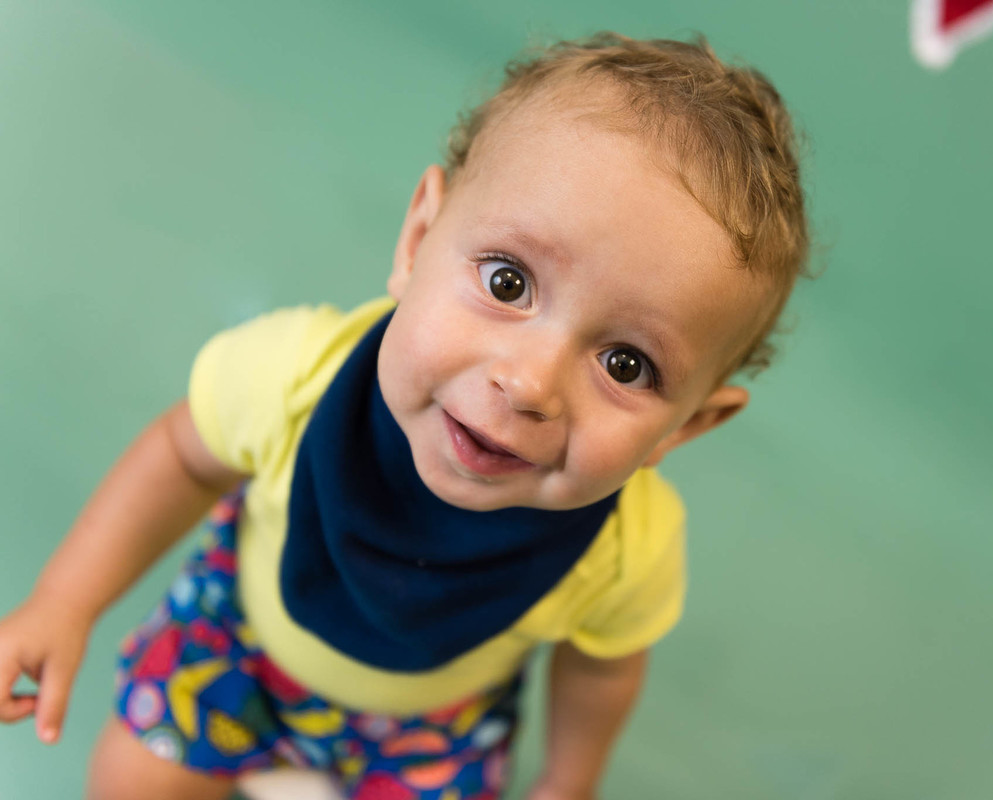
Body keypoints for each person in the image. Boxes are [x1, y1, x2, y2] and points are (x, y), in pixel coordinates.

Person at [0, 31, 811, 800]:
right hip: (240, 634)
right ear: (419, 238)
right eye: (507, 284)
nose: (530, 384)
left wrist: (569, 778)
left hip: (432, 717)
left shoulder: (627, 548)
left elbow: (602, 667)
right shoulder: (294, 375)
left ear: (687, 426)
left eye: (625, 365)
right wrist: (66, 599)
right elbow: (182, 456)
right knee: (133, 782)